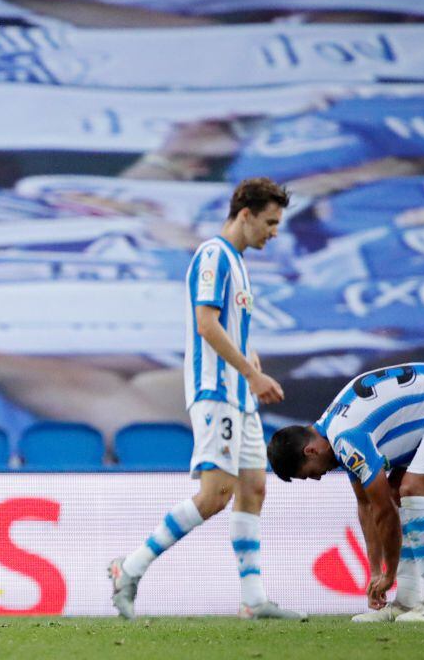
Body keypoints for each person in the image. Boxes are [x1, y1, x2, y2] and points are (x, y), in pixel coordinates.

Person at [108, 177, 304, 621]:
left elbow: (234, 331)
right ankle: (129, 568)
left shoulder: (238, 262)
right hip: (216, 392)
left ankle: (253, 601)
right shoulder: (214, 255)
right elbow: (206, 325)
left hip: (240, 395)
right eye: (270, 222)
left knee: (253, 488)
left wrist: (254, 369)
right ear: (245, 214)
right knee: (215, 495)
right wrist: (252, 374)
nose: (274, 232)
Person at [267, 363, 424, 623]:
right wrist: (375, 571)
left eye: (310, 473)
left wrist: (389, 575)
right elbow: (366, 506)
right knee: (400, 493)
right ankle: (406, 602)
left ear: (310, 451)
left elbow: (384, 511)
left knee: (414, 490)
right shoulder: (334, 431)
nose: (319, 477)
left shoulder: (346, 439)